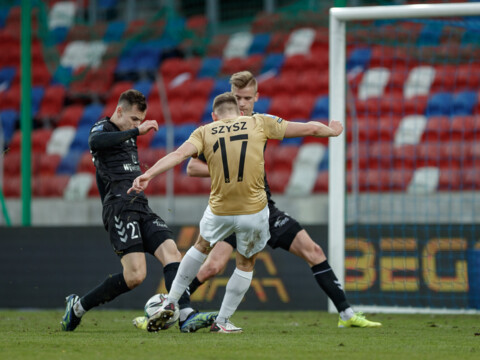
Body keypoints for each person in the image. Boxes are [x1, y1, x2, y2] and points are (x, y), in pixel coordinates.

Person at [133, 71, 381, 329]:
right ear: (230, 97)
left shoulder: (247, 124)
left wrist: (149, 174)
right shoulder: (233, 128)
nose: (242, 103)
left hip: (263, 207)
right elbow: (192, 168)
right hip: (240, 208)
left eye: (247, 98)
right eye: (237, 97)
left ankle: (347, 314)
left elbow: (180, 156)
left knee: (314, 251)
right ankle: (177, 308)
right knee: (212, 268)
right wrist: (229, 170)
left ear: (256, 97)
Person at [60, 89, 216, 333]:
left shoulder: (127, 131)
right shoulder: (102, 128)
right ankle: (78, 307)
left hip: (141, 205)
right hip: (119, 208)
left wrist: (134, 131)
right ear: (119, 111)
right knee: (135, 276)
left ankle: (186, 315)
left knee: (172, 252)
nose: (137, 125)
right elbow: (95, 143)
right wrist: (135, 131)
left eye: (140, 121)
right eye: (134, 119)